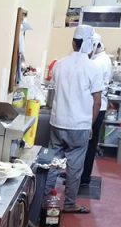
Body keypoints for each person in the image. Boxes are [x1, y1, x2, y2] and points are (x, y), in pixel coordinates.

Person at [43, 24, 103, 214]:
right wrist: (90, 125)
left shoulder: (59, 64)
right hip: (79, 126)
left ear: (73, 42)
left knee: (53, 163)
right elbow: (97, 101)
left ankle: (44, 199)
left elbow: (53, 91)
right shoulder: (93, 68)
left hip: (57, 122)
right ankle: (69, 204)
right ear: (89, 45)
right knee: (74, 167)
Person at [81, 32, 113, 186]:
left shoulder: (99, 62)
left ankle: (83, 177)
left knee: (89, 144)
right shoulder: (101, 59)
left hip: (96, 108)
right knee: (88, 144)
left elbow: (95, 95)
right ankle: (79, 174)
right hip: (96, 106)